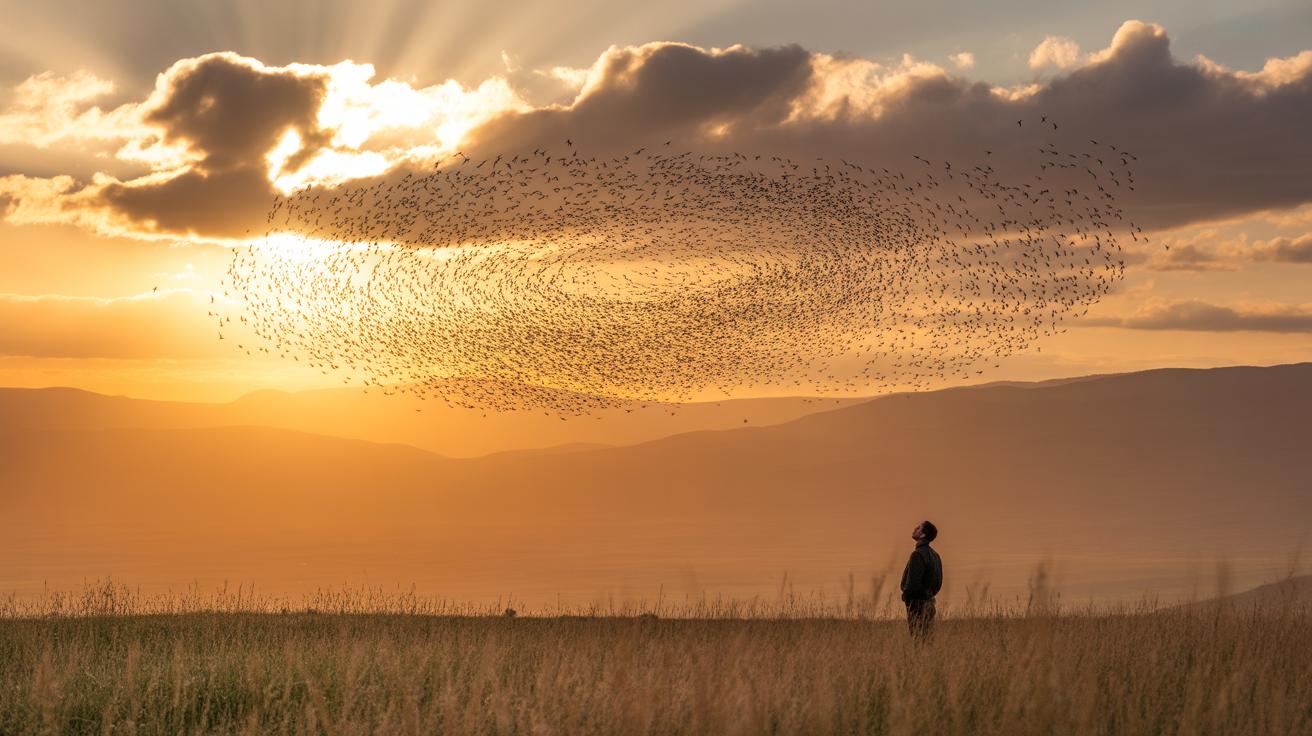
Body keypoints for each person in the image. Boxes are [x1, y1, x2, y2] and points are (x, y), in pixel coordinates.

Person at [900, 520, 942, 639]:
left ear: (923, 535)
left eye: (918, 528)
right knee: (927, 640)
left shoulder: (917, 555)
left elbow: (913, 584)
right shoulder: (935, 555)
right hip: (930, 603)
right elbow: (938, 583)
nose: (915, 528)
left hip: (917, 605)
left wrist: (906, 597)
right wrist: (930, 595)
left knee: (917, 641)